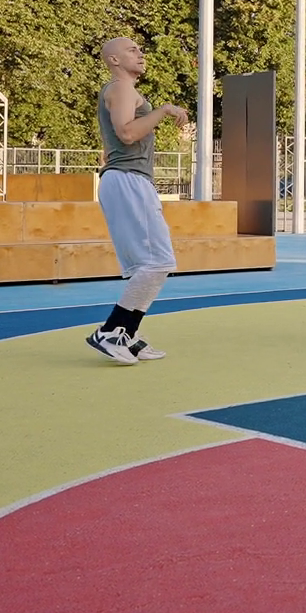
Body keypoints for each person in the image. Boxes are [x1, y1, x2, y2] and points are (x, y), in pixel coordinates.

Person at [86, 37, 187, 366]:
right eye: (132, 50)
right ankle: (111, 331)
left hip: (128, 180)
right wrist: (163, 110)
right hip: (127, 180)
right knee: (158, 262)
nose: (141, 54)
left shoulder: (123, 91)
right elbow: (127, 133)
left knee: (152, 265)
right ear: (114, 60)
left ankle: (126, 334)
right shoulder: (121, 88)